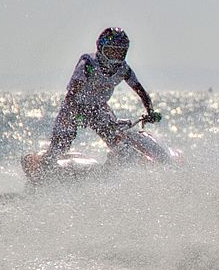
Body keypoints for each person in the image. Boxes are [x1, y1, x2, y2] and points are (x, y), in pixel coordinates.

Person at [32, 27, 161, 172]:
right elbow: (73, 91)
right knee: (63, 141)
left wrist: (150, 111)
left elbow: (140, 91)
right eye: (111, 51)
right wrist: (75, 113)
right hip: (74, 105)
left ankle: (116, 172)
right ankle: (44, 167)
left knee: (117, 139)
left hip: (98, 107)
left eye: (119, 53)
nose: (115, 57)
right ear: (101, 49)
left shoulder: (123, 69)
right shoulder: (88, 64)